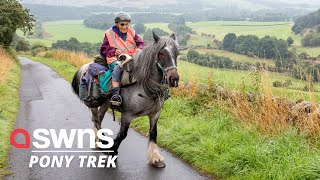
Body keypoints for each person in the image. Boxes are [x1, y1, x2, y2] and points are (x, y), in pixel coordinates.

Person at [100, 12, 145, 106]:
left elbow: (140, 43)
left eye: (126, 24)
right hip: (115, 59)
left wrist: (139, 49)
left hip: (131, 58)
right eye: (122, 24)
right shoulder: (109, 33)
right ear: (117, 24)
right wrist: (113, 50)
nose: (124, 27)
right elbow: (103, 49)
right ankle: (115, 95)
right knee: (118, 68)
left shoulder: (131, 31)